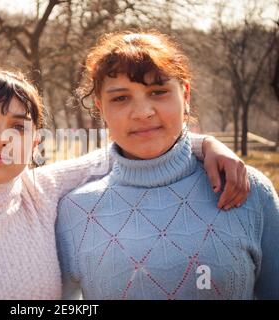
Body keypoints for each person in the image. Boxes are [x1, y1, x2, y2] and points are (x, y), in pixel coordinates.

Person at [0, 68, 249, 299]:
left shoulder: (41, 193)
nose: (2, 139)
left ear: (36, 142)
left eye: (18, 127)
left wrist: (207, 144)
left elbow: (124, 149)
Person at [56, 30, 279, 300]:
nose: (143, 113)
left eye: (158, 92)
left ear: (185, 95)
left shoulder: (247, 190)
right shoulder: (74, 212)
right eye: (120, 98)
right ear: (100, 107)